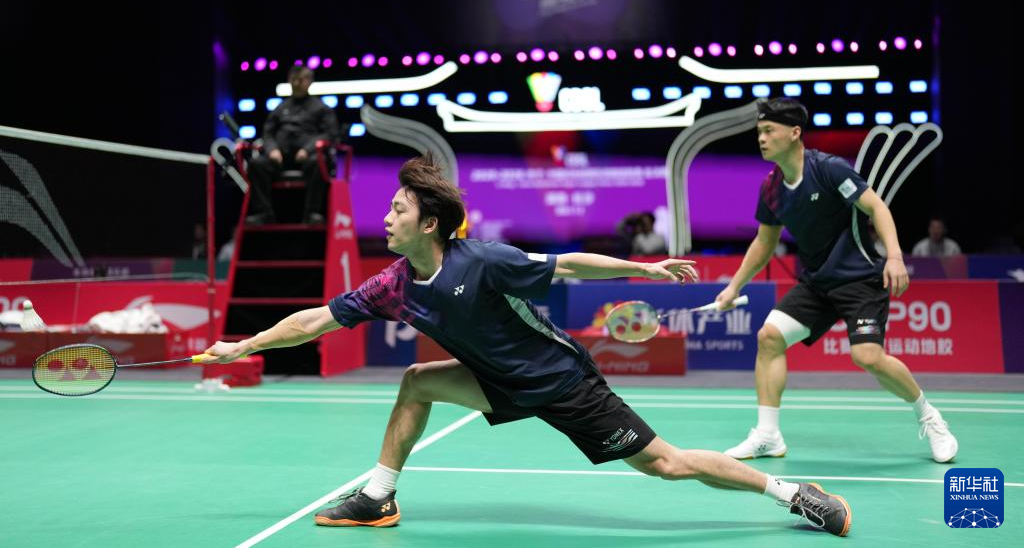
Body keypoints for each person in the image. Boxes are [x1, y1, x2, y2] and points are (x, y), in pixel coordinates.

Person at [201, 154, 853, 537]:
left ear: (429, 223)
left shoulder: (483, 260)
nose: (387, 217)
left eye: (398, 209)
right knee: (417, 382)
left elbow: (567, 266)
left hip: (562, 382)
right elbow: (317, 319)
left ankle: (792, 492)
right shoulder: (392, 284)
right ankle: (378, 496)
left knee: (667, 463)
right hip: (499, 381)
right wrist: (246, 345)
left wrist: (644, 269)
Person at [715, 98, 958, 464]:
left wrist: (894, 257)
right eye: (759, 132)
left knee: (867, 357)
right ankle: (768, 435)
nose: (761, 139)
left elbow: (876, 207)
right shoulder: (771, 188)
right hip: (817, 283)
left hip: (860, 279)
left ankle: (929, 416)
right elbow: (765, 242)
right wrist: (734, 287)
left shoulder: (828, 169)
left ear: (794, 133)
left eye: (769, 131)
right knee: (769, 337)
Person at [245, 65, 340, 225]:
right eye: (293, 80)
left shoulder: (321, 108)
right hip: (280, 158)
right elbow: (267, 133)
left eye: (300, 80)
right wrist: (272, 149)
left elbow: (330, 135)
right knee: (256, 164)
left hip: (309, 158)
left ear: (309, 81)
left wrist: (308, 149)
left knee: (319, 162)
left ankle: (312, 213)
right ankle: (264, 213)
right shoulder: (280, 108)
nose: (296, 83)